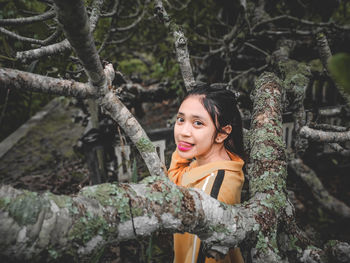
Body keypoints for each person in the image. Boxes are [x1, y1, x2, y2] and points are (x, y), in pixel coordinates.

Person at [168, 83, 245, 263]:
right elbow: (177, 179)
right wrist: (185, 147)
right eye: (180, 120)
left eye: (198, 123)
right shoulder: (207, 162)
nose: (183, 132)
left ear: (222, 133)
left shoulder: (213, 193)